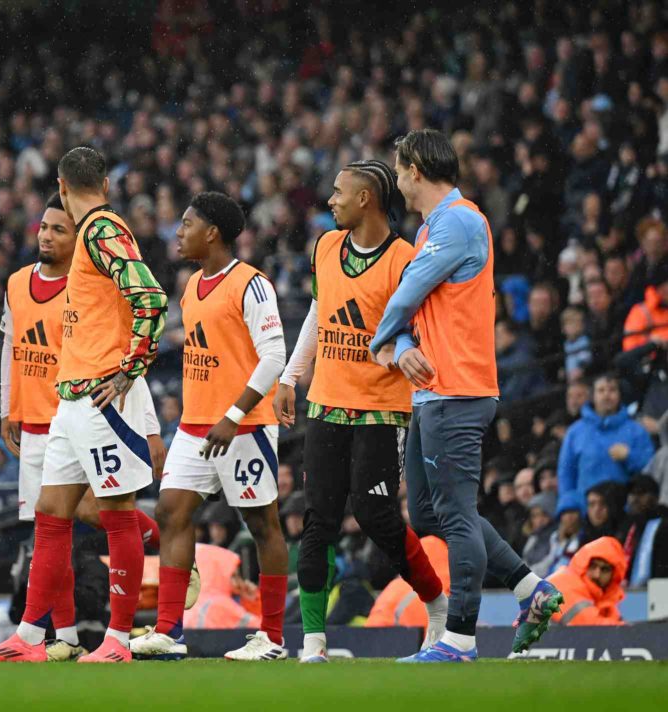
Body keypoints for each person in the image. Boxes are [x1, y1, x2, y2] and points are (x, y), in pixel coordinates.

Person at [0, 146, 167, 663]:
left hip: (102, 395)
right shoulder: (96, 233)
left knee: (118, 514)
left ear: (60, 185)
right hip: (71, 397)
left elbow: (151, 296)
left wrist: (131, 368)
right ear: (103, 182)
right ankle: (31, 637)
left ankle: (118, 641)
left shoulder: (101, 230)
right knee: (51, 513)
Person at [370, 129, 560, 662]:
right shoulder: (435, 225)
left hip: (459, 388)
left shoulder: (460, 221)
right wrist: (401, 343)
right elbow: (414, 309)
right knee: (430, 515)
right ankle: (530, 589)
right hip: (433, 391)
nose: (397, 179)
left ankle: (459, 638)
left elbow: (405, 293)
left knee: (454, 513)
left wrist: (380, 340)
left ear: (416, 169)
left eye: (399, 168)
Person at [273, 162, 446, 664]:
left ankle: (436, 603)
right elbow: (318, 312)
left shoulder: (404, 260)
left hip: (380, 409)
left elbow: (412, 333)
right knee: (318, 519)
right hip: (326, 402)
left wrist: (397, 355)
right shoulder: (326, 246)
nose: (330, 200)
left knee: (377, 517)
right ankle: (313, 642)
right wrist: (290, 375)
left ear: (367, 198)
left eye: (338, 192)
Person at [130, 192, 289, 662]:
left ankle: (273, 639)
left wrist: (234, 415)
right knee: (172, 511)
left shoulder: (251, 284)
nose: (178, 232)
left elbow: (274, 356)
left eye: (187, 223)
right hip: (195, 425)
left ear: (212, 232)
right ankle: (168, 630)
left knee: (263, 525)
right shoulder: (191, 286)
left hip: (244, 426)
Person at [558, 373, 654, 510]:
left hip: (625, 514)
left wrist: (630, 456)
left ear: (620, 395)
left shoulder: (636, 430)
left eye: (612, 390)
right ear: (593, 396)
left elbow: (651, 469)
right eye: (601, 390)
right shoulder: (575, 432)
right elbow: (566, 474)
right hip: (587, 515)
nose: (607, 395)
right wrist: (570, 507)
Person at [546, 536, 627, 626]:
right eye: (593, 566)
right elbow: (589, 627)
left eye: (605, 569)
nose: (597, 575)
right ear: (583, 564)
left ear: (614, 575)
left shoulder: (604, 600)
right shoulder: (561, 584)